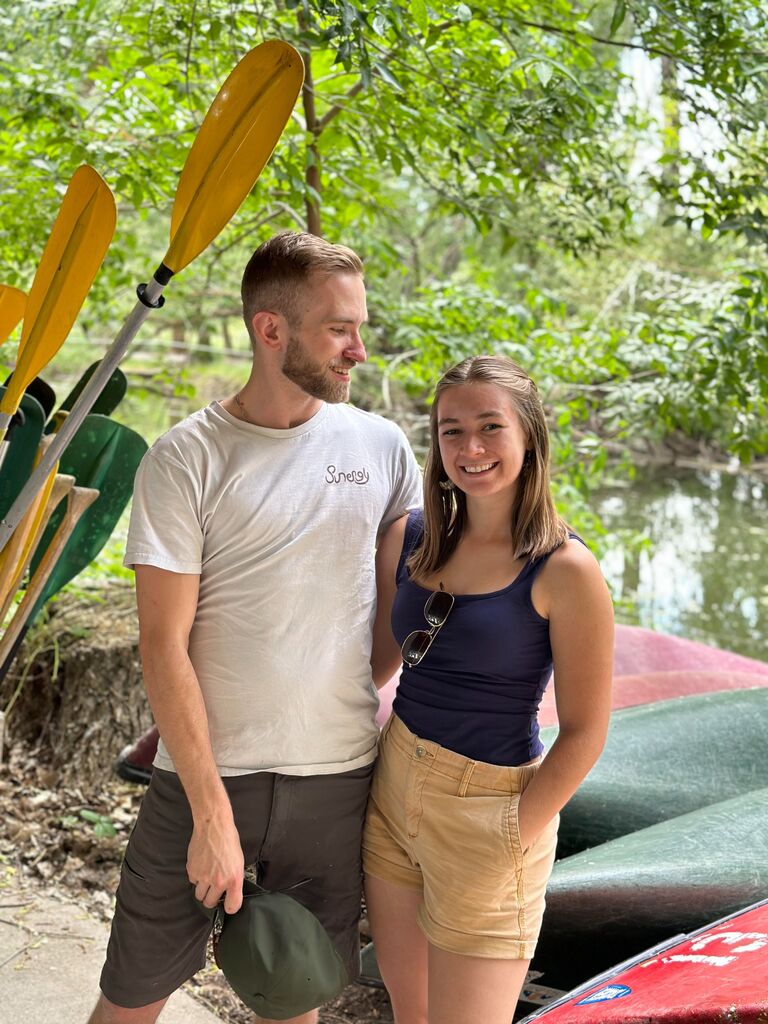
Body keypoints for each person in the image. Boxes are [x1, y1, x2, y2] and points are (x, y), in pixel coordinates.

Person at [88, 231, 422, 1024]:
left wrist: (323, 696)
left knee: (292, 999)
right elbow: (163, 645)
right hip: (203, 781)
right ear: (271, 330)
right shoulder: (186, 459)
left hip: (334, 778)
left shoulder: (382, 449)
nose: (359, 350)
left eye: (360, 325)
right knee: (130, 1003)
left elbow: (393, 620)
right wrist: (211, 815)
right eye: (340, 328)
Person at [362, 355, 614, 1024]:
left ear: (529, 437)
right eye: (451, 431)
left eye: (489, 427)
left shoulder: (565, 569)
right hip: (394, 788)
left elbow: (587, 729)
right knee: (407, 1011)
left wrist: (515, 831)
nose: (469, 449)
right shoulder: (408, 538)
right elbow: (380, 664)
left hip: (492, 808)